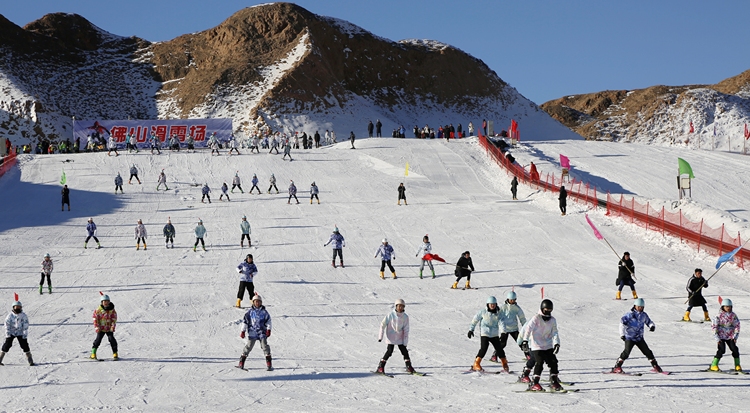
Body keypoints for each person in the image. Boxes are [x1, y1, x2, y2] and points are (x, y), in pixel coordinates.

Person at [518, 299, 563, 391]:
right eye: (546, 309)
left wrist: (556, 343)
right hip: (536, 345)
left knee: (553, 362)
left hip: (548, 345)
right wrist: (525, 341)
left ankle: (554, 381)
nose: (548, 312)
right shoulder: (536, 318)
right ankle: (534, 383)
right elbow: (528, 329)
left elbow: (555, 332)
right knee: (539, 362)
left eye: (550, 310)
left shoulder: (552, 320)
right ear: (542, 309)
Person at [610, 298, 663, 374]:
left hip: (639, 338)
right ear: (635, 306)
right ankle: (617, 367)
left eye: (642, 307)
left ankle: (655, 366)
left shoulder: (643, 315)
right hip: (630, 337)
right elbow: (622, 324)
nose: (640, 308)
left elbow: (649, 321)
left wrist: (652, 326)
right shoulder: (630, 315)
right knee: (626, 353)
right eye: (639, 307)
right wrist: (622, 334)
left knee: (648, 352)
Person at [489, 291, 527, 370]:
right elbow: (499, 318)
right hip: (505, 328)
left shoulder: (517, 308)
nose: (512, 301)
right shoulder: (503, 307)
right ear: (508, 299)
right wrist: (500, 328)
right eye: (511, 300)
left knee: (521, 341)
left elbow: (522, 318)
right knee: (502, 344)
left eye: (513, 300)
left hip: (514, 328)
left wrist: (526, 327)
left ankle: (528, 354)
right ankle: (494, 355)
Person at [376, 299, 415, 374]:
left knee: (404, 351)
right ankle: (381, 366)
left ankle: (408, 366)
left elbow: (406, 329)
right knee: (389, 351)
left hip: (400, 337)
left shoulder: (405, 317)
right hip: (391, 336)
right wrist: (380, 336)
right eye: (399, 306)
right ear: (396, 306)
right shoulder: (390, 315)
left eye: (402, 306)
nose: (400, 308)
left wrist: (405, 341)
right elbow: (382, 324)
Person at [236, 294, 273, 371]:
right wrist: (243, 331)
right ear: (253, 302)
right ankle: (242, 361)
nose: (257, 303)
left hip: (262, 332)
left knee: (264, 346)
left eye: (259, 302)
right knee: (249, 346)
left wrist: (268, 329)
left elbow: (268, 321)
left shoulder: (264, 312)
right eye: (256, 302)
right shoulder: (249, 312)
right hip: (252, 332)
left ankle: (269, 362)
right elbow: (245, 322)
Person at [468, 296, 503, 372]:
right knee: (484, 348)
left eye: (494, 304)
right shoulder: (483, 311)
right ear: (488, 304)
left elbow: (502, 322)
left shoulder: (498, 313)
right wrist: (471, 330)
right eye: (491, 304)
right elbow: (475, 319)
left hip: (494, 334)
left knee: (499, 349)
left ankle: (505, 365)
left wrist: (504, 331)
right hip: (485, 332)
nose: (492, 306)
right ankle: (476, 364)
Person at [709, 298, 742, 372]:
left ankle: (737, 365)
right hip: (721, 336)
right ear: (723, 307)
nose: (728, 308)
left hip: (730, 336)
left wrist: (735, 336)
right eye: (726, 306)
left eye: (729, 306)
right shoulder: (718, 315)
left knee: (735, 349)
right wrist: (717, 338)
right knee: (722, 350)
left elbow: (737, 325)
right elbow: (714, 326)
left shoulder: (733, 315)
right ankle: (714, 365)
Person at [1, 299, 34, 366]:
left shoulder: (23, 315)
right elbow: (7, 324)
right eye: (16, 307)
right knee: (7, 345)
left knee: (24, 345)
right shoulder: (10, 316)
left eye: (19, 307)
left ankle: (30, 360)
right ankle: (0, 358)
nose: (17, 308)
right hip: (11, 332)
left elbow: (26, 324)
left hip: (20, 332)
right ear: (13, 307)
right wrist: (8, 333)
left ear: (21, 308)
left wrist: (25, 333)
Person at [90, 294, 118, 360]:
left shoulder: (112, 310)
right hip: (101, 329)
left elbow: (114, 319)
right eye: (104, 301)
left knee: (112, 339)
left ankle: (115, 353)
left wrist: (112, 327)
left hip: (109, 328)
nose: (106, 303)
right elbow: (95, 319)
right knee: (98, 340)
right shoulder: (98, 310)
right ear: (101, 302)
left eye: (107, 301)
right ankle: (93, 353)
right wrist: (97, 327)